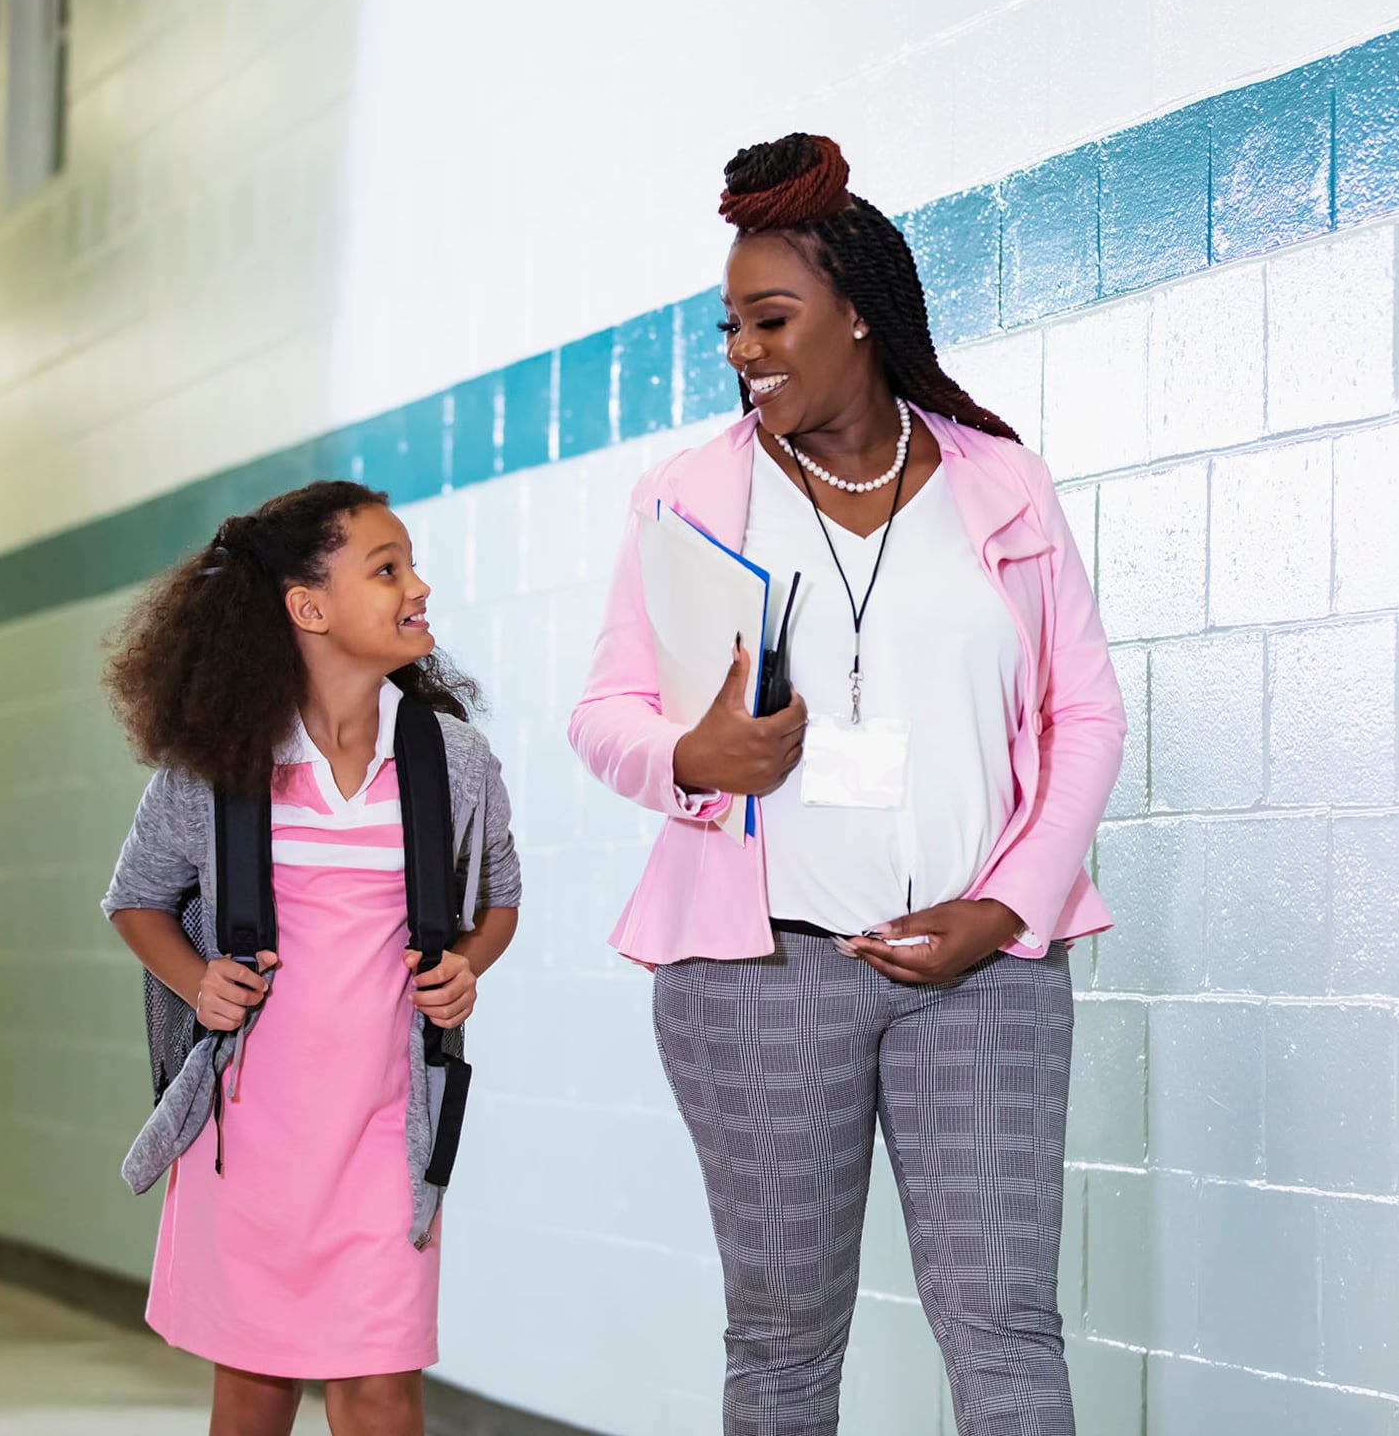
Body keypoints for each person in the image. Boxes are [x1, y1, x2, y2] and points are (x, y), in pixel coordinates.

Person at [569, 134, 1126, 1436]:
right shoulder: (688, 497)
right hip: (759, 974)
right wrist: (689, 761)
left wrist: (1007, 912)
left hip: (982, 963)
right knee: (782, 1337)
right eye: (731, 328)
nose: (745, 349)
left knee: (1004, 1323)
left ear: (860, 316)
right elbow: (606, 715)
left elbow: (1085, 711)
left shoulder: (1003, 483)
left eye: (773, 318)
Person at [100, 480, 522, 1436]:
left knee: (380, 1389)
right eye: (388, 569)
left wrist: (468, 963)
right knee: (254, 1391)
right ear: (309, 606)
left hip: (386, 1133)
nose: (418, 585)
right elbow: (136, 899)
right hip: (248, 1137)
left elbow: (499, 899)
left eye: (409, 564)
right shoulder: (218, 762)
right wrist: (197, 979)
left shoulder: (454, 762)